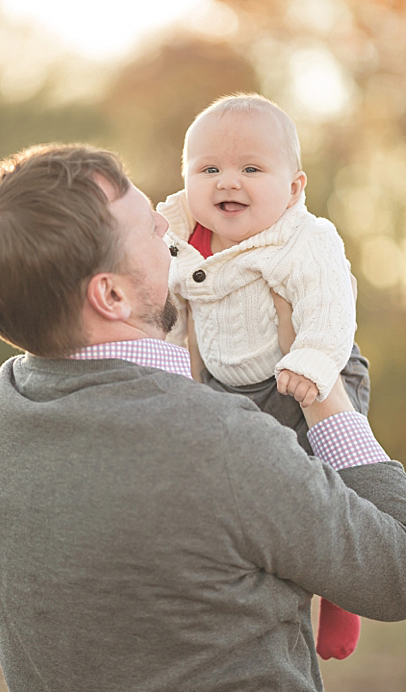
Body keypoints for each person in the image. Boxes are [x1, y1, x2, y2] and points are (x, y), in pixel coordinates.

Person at [0, 143, 406, 691]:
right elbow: (395, 573)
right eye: (151, 228)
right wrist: (321, 377)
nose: (172, 235)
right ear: (111, 294)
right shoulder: (222, 444)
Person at [160, 93, 371, 657]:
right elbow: (174, 320)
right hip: (229, 387)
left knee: (330, 485)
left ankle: (342, 599)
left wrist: (313, 362)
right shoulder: (178, 241)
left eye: (252, 169)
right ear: (186, 179)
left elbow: (331, 307)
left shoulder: (306, 239)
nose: (229, 181)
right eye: (209, 169)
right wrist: (174, 378)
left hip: (312, 372)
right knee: (248, 492)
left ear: (295, 188)